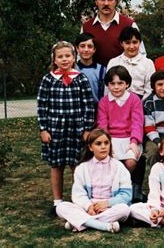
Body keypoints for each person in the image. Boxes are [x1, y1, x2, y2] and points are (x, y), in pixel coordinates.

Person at [37, 41, 95, 216]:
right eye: (60, 57)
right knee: (57, 165)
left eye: (67, 56)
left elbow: (89, 105)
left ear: (74, 57)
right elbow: (41, 105)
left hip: (76, 129)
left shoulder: (81, 78)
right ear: (54, 60)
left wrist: (87, 129)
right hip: (55, 130)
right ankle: (57, 202)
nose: (64, 59)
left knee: (76, 165)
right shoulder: (48, 79)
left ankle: (80, 200)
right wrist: (43, 129)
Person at [56, 129, 131, 233]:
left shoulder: (119, 167)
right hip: (88, 207)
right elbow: (78, 194)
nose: (103, 146)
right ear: (90, 147)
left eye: (106, 143)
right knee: (61, 207)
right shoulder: (82, 168)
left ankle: (80, 222)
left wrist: (107, 203)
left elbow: (126, 195)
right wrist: (89, 207)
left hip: (110, 207)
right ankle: (104, 226)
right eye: (98, 144)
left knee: (124, 209)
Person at [82, 0, 145, 67]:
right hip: (94, 79)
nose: (106, 3)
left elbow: (141, 55)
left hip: (122, 79)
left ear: (116, 1)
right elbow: (79, 57)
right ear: (96, 1)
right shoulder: (86, 27)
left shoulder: (129, 25)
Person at [97, 66, 144, 175]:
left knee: (130, 162)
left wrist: (134, 142)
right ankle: (113, 186)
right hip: (111, 139)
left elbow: (137, 122)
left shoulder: (134, 99)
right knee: (111, 163)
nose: (116, 87)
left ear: (127, 84)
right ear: (107, 85)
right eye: (112, 84)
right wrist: (107, 143)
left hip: (129, 139)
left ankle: (126, 184)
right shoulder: (104, 102)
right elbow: (102, 125)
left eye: (120, 83)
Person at [107, 26, 155, 101]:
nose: (131, 46)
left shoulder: (148, 63)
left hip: (141, 104)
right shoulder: (113, 62)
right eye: (127, 43)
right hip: (117, 103)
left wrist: (138, 105)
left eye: (135, 42)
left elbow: (150, 90)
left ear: (140, 42)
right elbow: (108, 88)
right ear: (121, 43)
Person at [143, 70, 164, 171]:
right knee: (153, 151)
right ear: (153, 86)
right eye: (160, 84)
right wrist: (158, 142)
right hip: (154, 138)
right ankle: (156, 177)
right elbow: (149, 126)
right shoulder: (148, 103)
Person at [75, 33, 106, 104]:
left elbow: (104, 92)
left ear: (94, 49)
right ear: (77, 49)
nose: (86, 50)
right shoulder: (73, 69)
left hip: (96, 108)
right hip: (76, 109)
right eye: (82, 46)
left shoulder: (101, 69)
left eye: (89, 46)